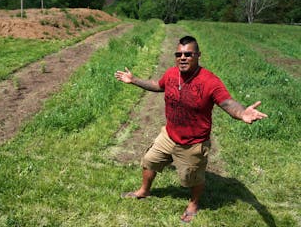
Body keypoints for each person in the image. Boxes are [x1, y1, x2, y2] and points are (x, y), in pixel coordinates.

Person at [114, 36, 268, 223]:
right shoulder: (171, 74)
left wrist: (242, 113)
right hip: (169, 135)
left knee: (192, 178)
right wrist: (134, 80)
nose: (183, 57)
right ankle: (144, 191)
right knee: (149, 160)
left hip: (193, 143)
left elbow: (227, 102)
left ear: (198, 55)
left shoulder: (209, 81)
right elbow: (157, 85)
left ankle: (194, 203)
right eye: (179, 54)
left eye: (188, 54)